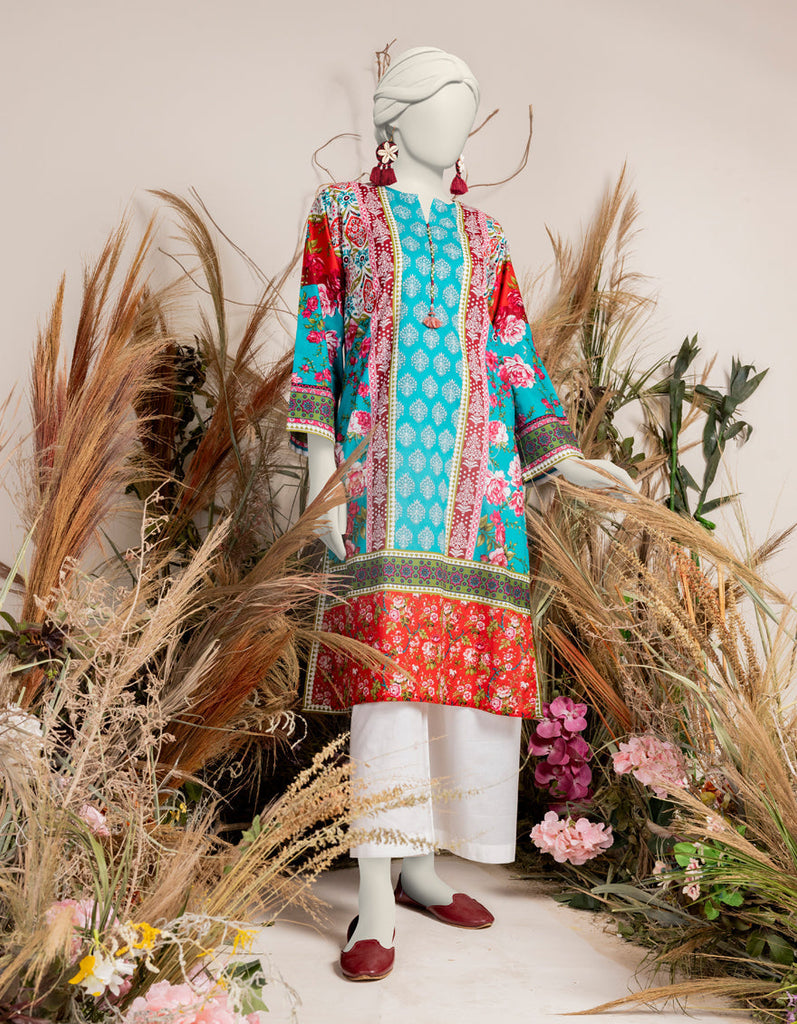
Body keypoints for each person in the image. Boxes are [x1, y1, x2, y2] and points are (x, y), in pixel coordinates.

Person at [287, 45, 636, 981]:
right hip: (380, 481)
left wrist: (565, 457)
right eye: (440, 101)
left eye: (465, 105)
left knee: (456, 682)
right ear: (393, 119)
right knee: (389, 684)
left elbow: (513, 353)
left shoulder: (486, 236)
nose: (454, 120)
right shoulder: (340, 214)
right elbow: (318, 338)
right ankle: (374, 898)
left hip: (480, 493)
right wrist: (318, 468)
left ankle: (421, 870)